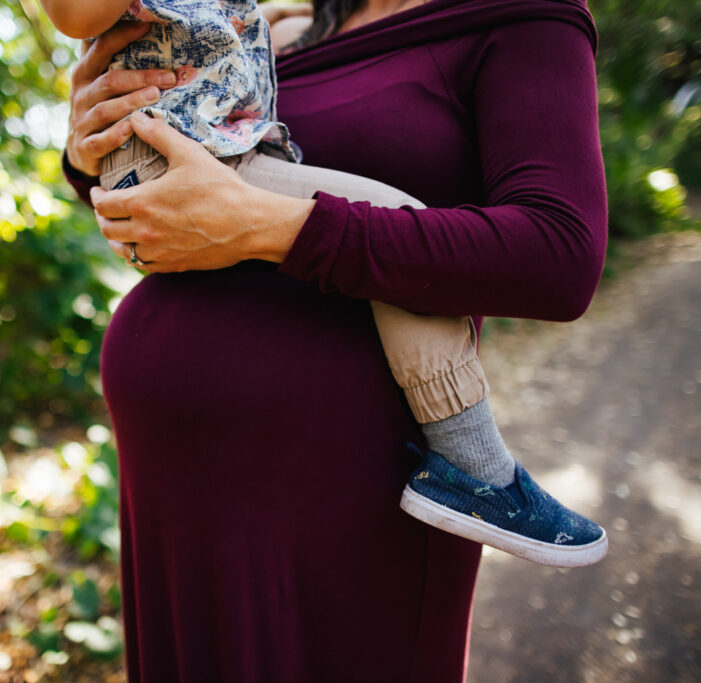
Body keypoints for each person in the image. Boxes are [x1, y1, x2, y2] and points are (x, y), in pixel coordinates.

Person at [56, 0, 608, 679]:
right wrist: (91, 144)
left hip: (349, 492)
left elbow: (558, 257)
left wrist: (271, 228)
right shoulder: (276, 25)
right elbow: (182, 187)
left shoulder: (518, 15)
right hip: (175, 492)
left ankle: (477, 466)